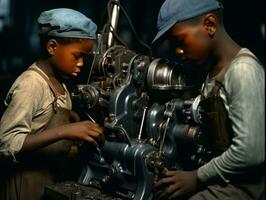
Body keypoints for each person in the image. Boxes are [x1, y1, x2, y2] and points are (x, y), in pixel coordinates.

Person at [152, 0, 265, 199]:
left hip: (240, 188)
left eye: (180, 41)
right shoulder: (212, 71)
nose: (177, 51)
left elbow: (250, 152)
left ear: (210, 24)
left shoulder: (242, 71)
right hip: (218, 178)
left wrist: (196, 177)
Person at [0, 8, 105, 200]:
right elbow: (7, 142)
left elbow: (45, 116)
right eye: (77, 55)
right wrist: (65, 131)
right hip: (26, 185)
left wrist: (70, 118)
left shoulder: (61, 82)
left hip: (51, 181)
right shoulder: (31, 83)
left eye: (85, 57)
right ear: (52, 47)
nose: (81, 63)